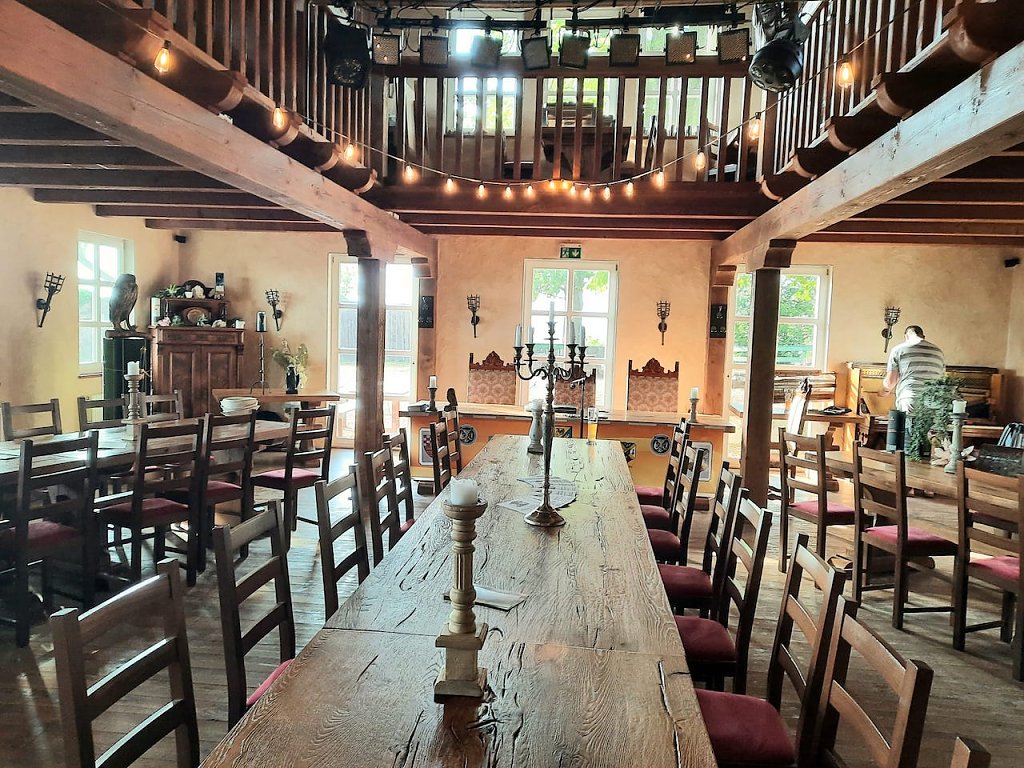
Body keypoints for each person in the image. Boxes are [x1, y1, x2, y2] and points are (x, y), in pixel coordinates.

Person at [880, 325, 944, 452]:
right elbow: (941, 380)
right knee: (926, 450)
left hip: (911, 400)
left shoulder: (899, 349)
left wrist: (884, 391)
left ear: (906, 336)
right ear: (923, 336)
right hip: (934, 404)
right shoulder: (938, 351)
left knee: (909, 450)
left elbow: (890, 382)